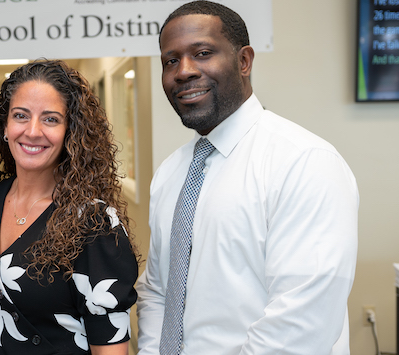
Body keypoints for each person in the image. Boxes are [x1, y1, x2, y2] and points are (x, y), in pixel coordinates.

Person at [135, 2, 358, 355]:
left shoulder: (304, 162)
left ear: (244, 61)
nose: (183, 71)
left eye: (203, 53)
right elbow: (158, 289)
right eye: (170, 61)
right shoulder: (169, 174)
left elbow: (300, 321)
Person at [0, 60, 139, 355]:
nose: (32, 131)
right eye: (21, 116)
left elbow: (110, 347)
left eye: (51, 119)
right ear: (5, 125)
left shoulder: (93, 222)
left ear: (72, 132)